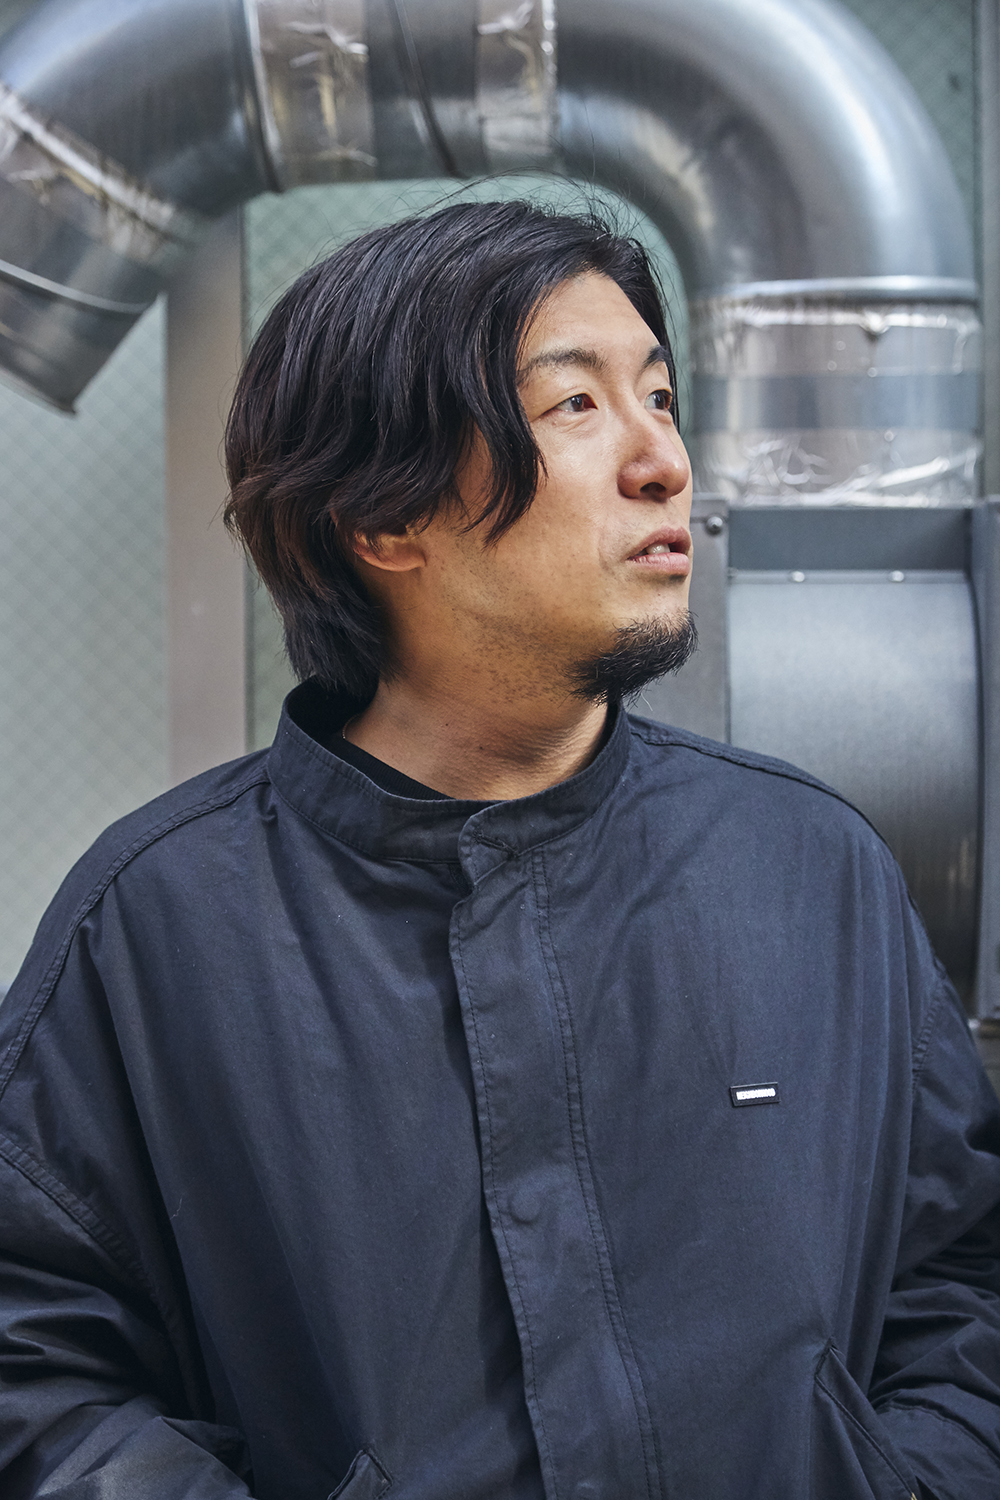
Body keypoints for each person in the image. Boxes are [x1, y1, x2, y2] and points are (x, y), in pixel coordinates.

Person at [0, 200, 997, 1500]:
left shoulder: (812, 870)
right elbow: (36, 1363)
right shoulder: (159, 926)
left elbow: (959, 1285)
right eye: (575, 405)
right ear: (383, 520)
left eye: (659, 397)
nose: (664, 461)